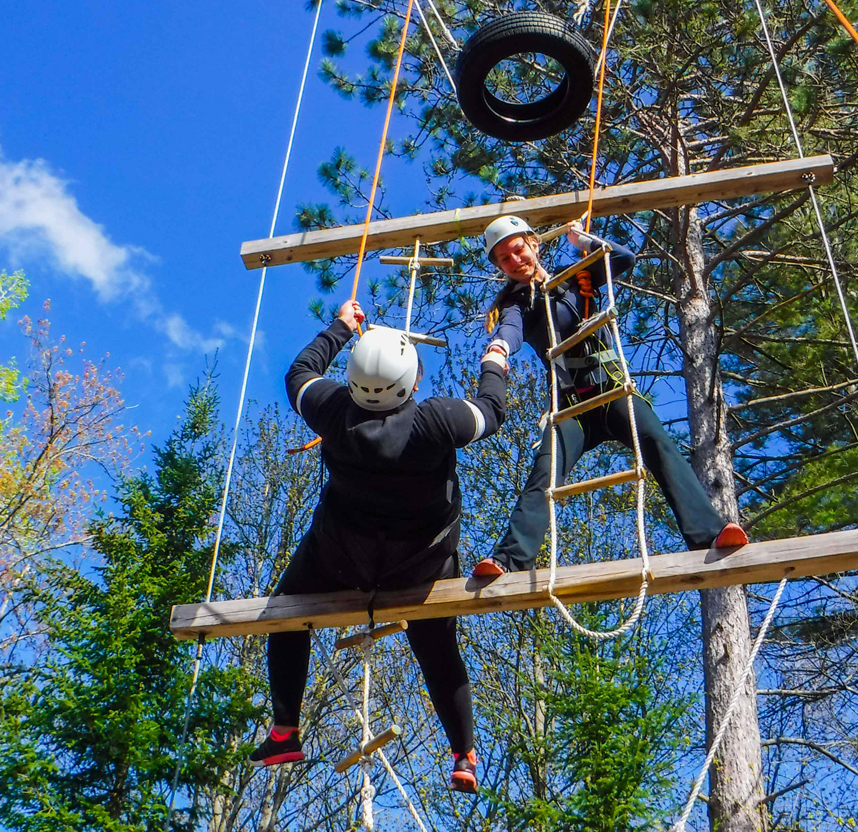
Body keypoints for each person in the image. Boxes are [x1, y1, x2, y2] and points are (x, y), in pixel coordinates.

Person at [251, 300, 508, 793]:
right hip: (420, 565)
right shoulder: (436, 421)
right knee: (436, 645)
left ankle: (285, 729)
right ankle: (463, 753)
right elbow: (491, 410)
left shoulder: (331, 411)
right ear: (412, 384)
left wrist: (341, 327)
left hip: (342, 559)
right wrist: (494, 361)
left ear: (351, 382)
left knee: (285, 613)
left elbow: (301, 372)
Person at [472, 214, 748, 578]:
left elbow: (623, 258)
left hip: (611, 390)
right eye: (505, 259)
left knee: (657, 443)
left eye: (518, 250)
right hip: (572, 405)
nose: (515, 261)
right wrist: (499, 348)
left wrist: (583, 241)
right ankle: (510, 559)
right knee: (545, 472)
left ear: (534, 244)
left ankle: (710, 533)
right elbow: (511, 329)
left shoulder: (578, 276)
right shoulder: (517, 303)